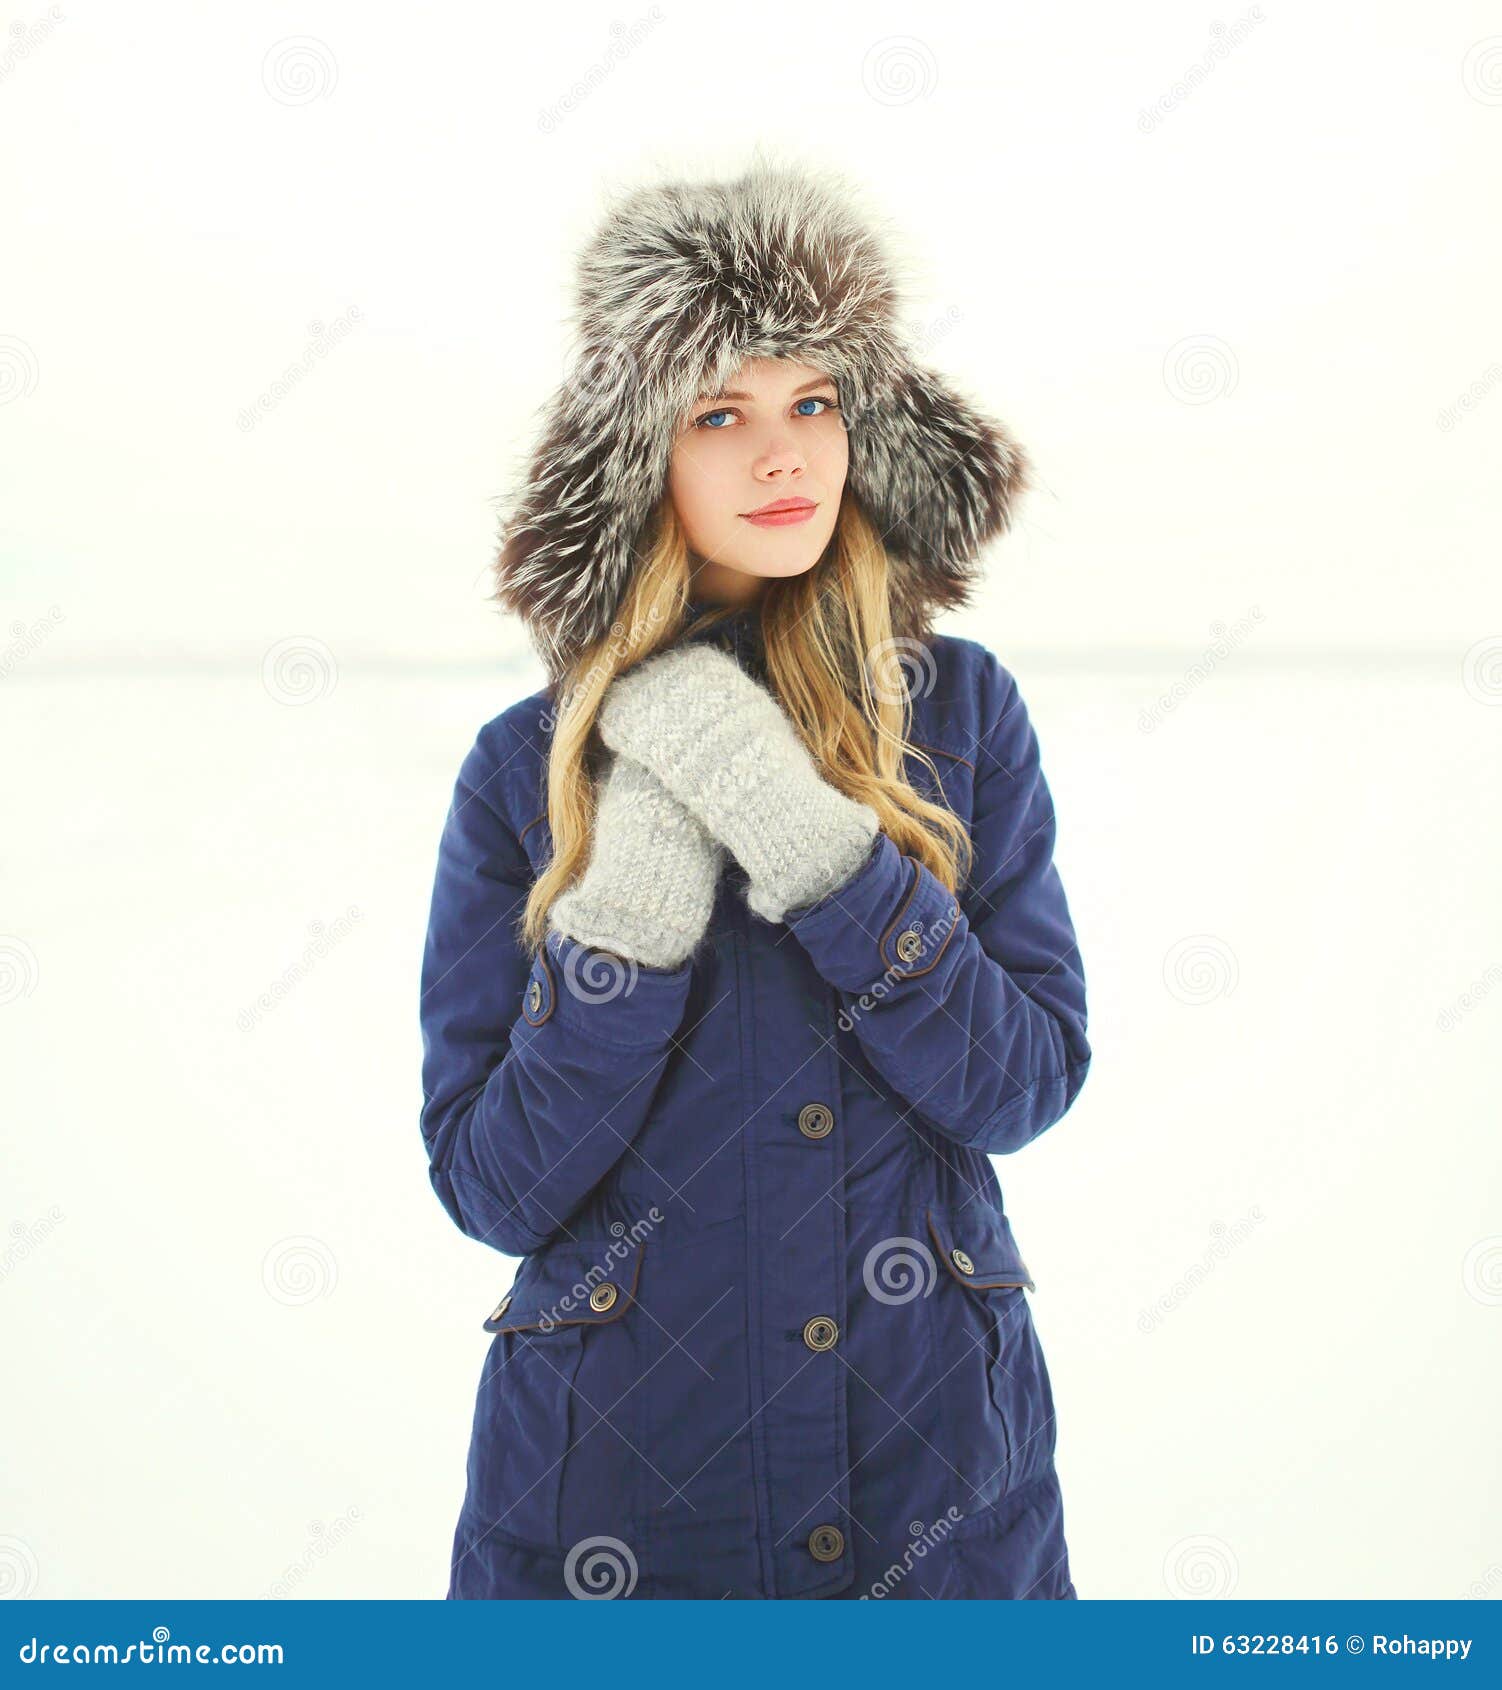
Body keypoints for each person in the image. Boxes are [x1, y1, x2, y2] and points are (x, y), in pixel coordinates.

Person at [418, 157, 1092, 1600]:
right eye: (719, 414)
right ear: (637, 453)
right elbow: (491, 1182)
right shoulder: (523, 766)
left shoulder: (956, 715)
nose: (780, 456)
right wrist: (631, 917)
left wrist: (825, 854)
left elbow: (1021, 1081)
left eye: (814, 403)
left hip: (934, 1496)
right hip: (620, 1517)